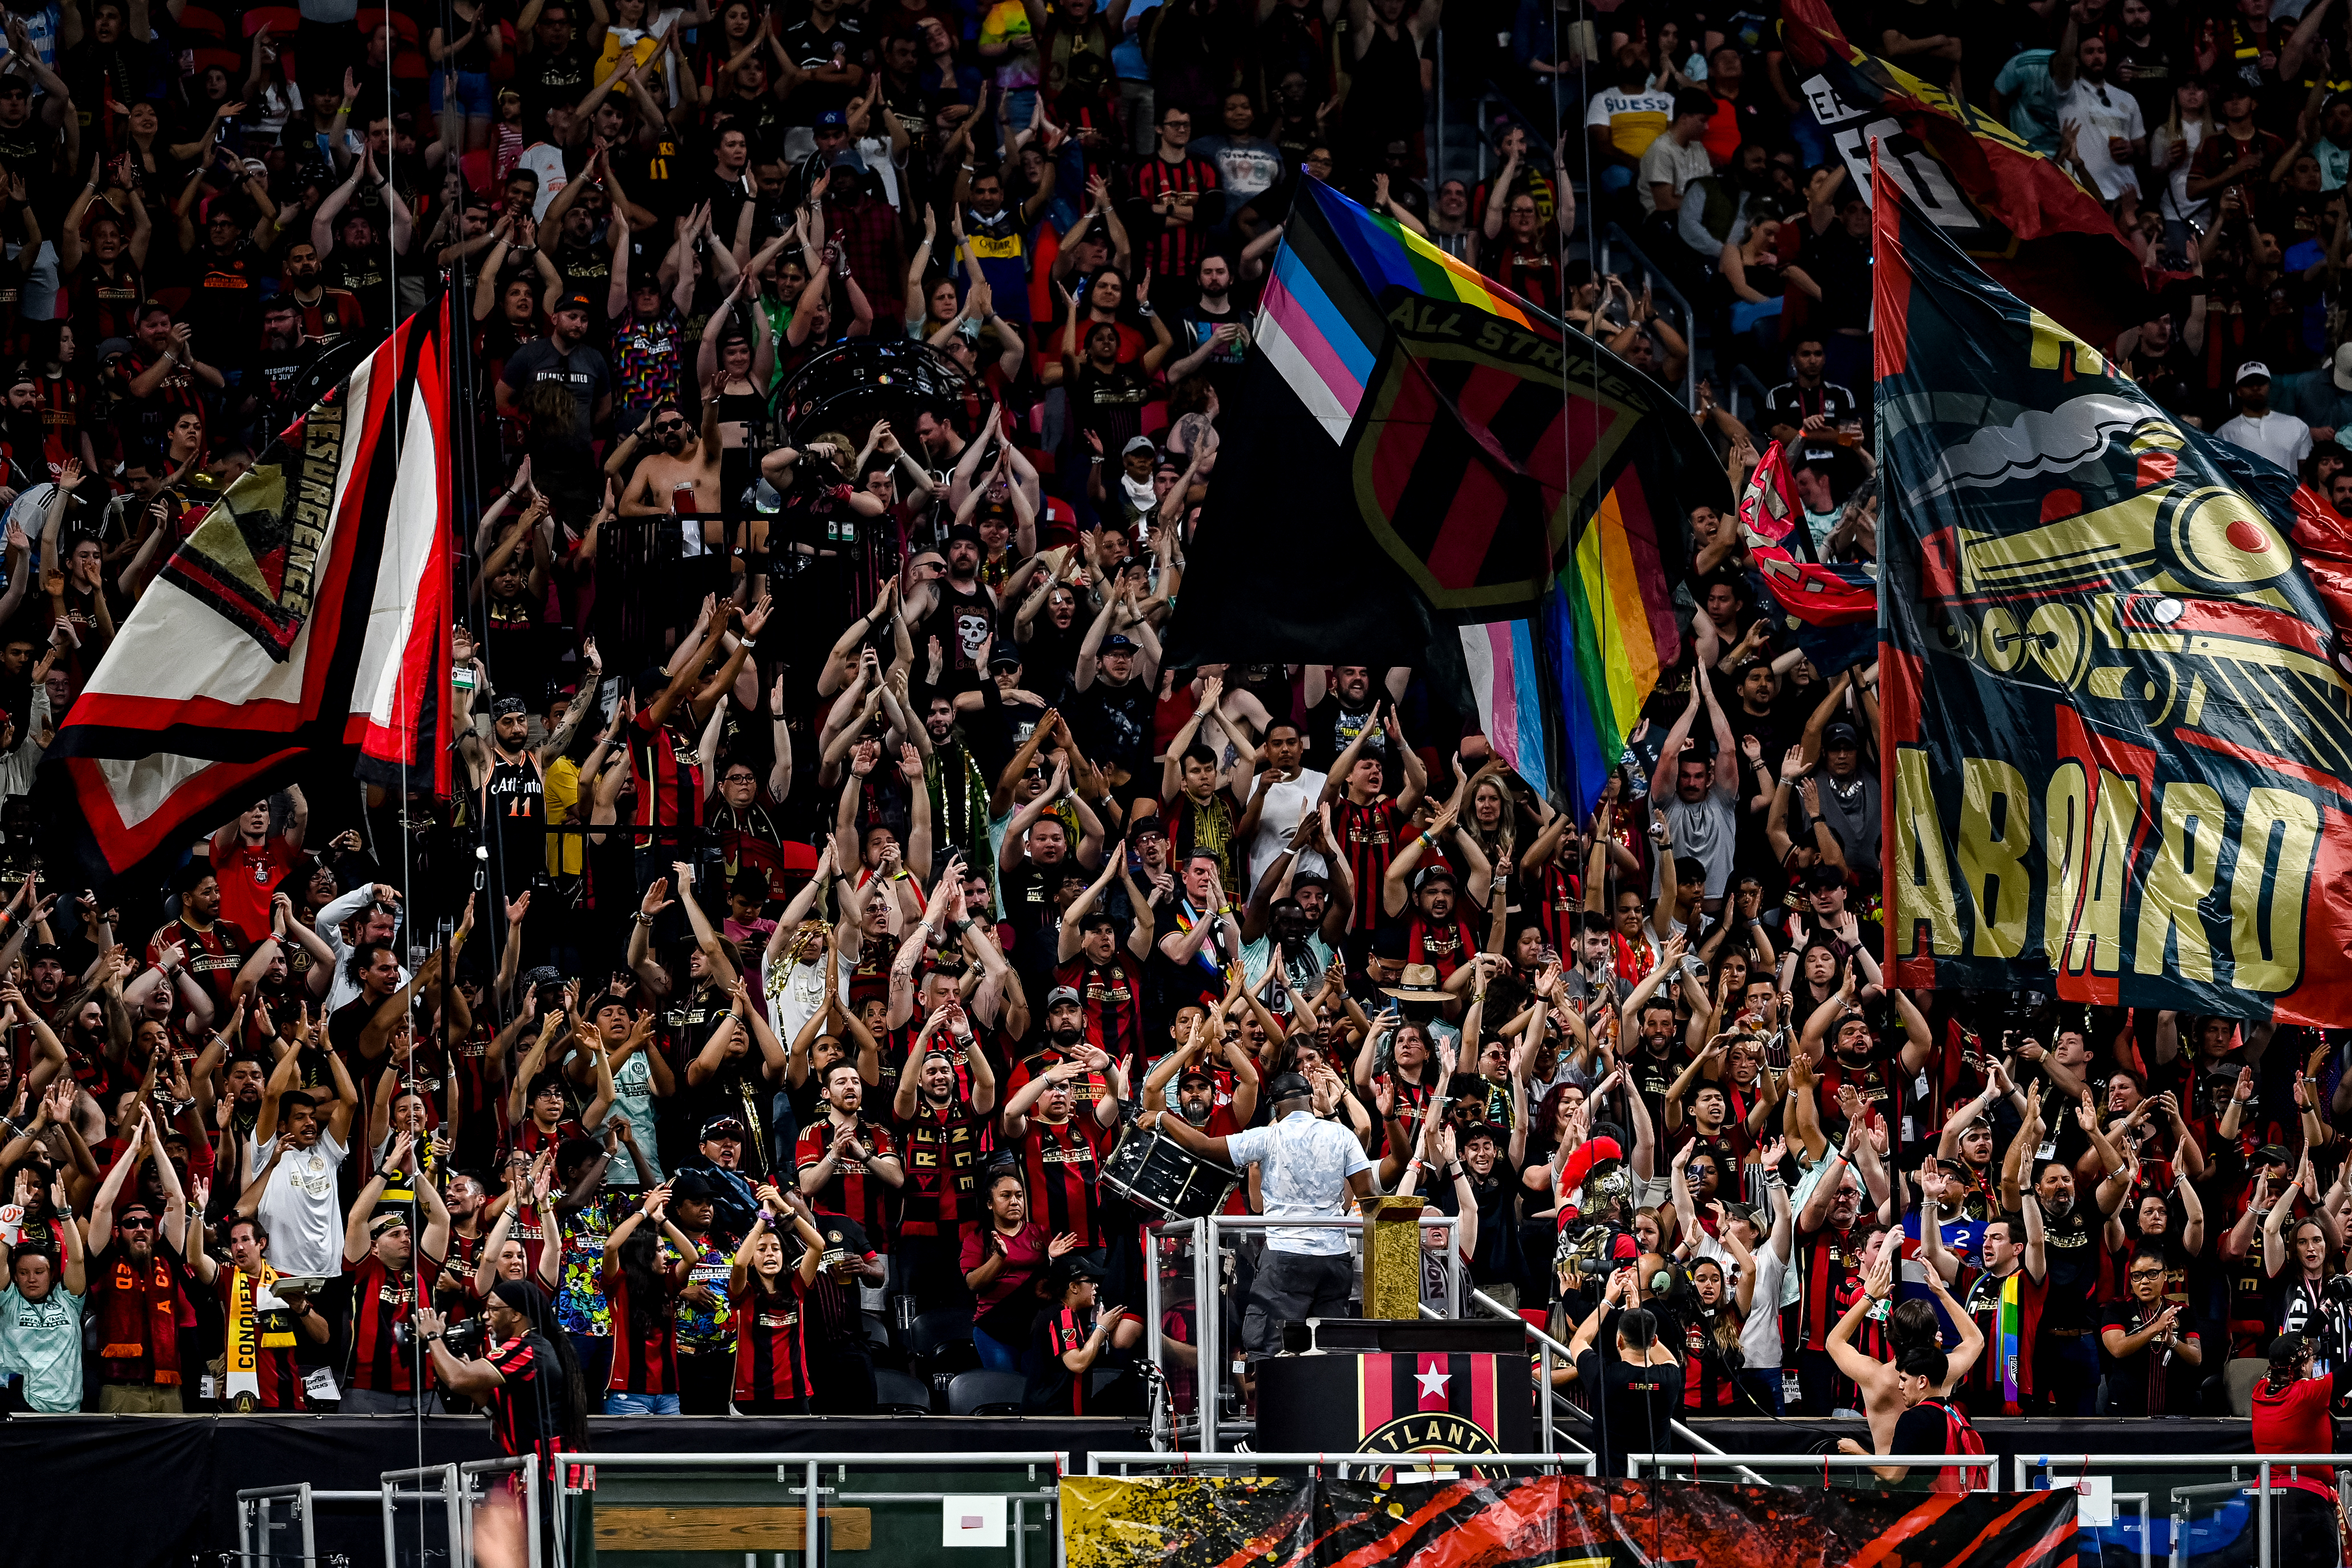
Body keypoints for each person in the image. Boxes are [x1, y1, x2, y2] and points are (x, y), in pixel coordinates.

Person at [1148, 1071, 1374, 1362]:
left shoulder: (1267, 1137)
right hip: (1335, 1257)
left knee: (1270, 1346)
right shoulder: (1343, 1136)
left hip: (1285, 1255)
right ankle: (1330, 1407)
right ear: (1309, 1100)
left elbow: (1201, 1147)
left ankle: (1273, 1408)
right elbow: (1368, 1196)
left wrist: (1161, 1118)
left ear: (1275, 1108)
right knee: (1331, 1348)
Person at [1565, 1266, 1685, 1477]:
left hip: (1613, 1490)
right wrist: (1636, 1315)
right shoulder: (1669, 1378)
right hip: (1655, 1490)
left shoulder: (1605, 1375)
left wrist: (1608, 1300)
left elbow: (1579, 1341)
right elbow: (1668, 1358)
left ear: (1619, 1340)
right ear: (1654, 1340)